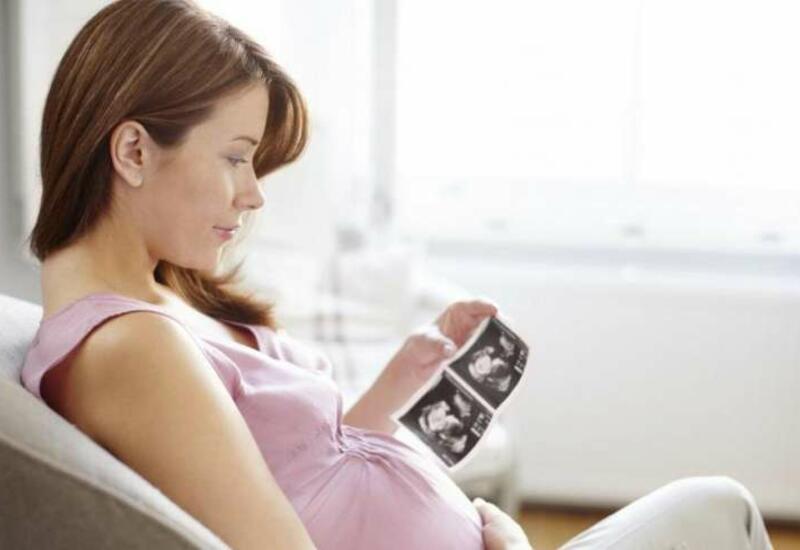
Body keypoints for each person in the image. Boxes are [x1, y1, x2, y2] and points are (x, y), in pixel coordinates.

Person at [18, 1, 774, 549]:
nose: (253, 195)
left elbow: (309, 472)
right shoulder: (131, 349)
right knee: (722, 507)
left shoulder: (155, 303)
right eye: (236, 157)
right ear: (134, 152)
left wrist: (401, 379)